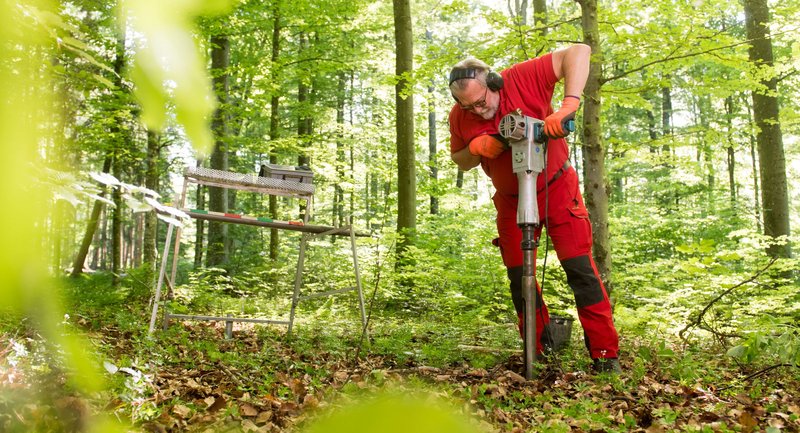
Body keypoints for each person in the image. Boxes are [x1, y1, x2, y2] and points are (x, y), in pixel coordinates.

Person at [448, 44, 620, 373]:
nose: (479, 111)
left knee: (580, 271)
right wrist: (475, 147)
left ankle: (605, 355)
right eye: (469, 107)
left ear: (493, 82)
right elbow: (460, 160)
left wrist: (569, 105)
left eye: (482, 102)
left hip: (556, 187)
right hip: (510, 201)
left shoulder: (522, 78)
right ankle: (539, 353)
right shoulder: (460, 115)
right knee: (520, 278)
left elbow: (579, 52)